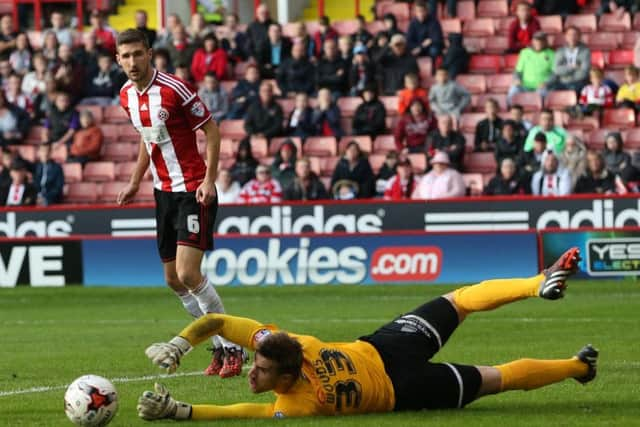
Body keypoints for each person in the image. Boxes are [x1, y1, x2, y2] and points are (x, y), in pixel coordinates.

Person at [138, 248, 596, 421]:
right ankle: (542, 294)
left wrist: (182, 410)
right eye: (256, 365)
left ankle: (578, 364)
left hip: (400, 380)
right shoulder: (297, 347)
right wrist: (180, 344)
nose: (251, 373)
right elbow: (220, 326)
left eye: (258, 368)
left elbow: (245, 413)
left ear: (285, 375)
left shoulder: (299, 404)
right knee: (463, 308)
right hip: (391, 355)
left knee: (497, 375)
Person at [114, 29, 244, 378]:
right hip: (163, 193)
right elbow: (147, 139)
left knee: (189, 273)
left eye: (137, 54)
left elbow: (212, 131)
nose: (132, 62)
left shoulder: (175, 89)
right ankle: (219, 348)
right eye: (125, 56)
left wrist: (209, 180)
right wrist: (134, 181)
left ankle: (233, 346)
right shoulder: (126, 96)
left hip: (192, 191)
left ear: (149, 53)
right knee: (173, 279)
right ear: (118, 60)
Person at [508, 32, 554, 106]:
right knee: (513, 90)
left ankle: (541, 111)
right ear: (533, 41)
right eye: (536, 40)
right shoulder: (524, 52)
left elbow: (554, 73)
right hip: (524, 85)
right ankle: (510, 110)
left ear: (545, 42)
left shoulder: (551, 54)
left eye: (541, 40)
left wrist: (546, 82)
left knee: (542, 94)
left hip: (541, 86)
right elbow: (518, 71)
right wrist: (517, 79)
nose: (538, 43)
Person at [546, 26, 590, 93]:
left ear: (579, 37)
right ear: (566, 37)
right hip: (561, 82)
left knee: (574, 89)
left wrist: (568, 76)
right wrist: (573, 67)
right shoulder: (560, 51)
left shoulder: (585, 51)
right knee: (548, 91)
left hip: (578, 82)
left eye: (575, 35)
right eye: (569, 35)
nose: (572, 37)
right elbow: (556, 69)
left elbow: (584, 71)